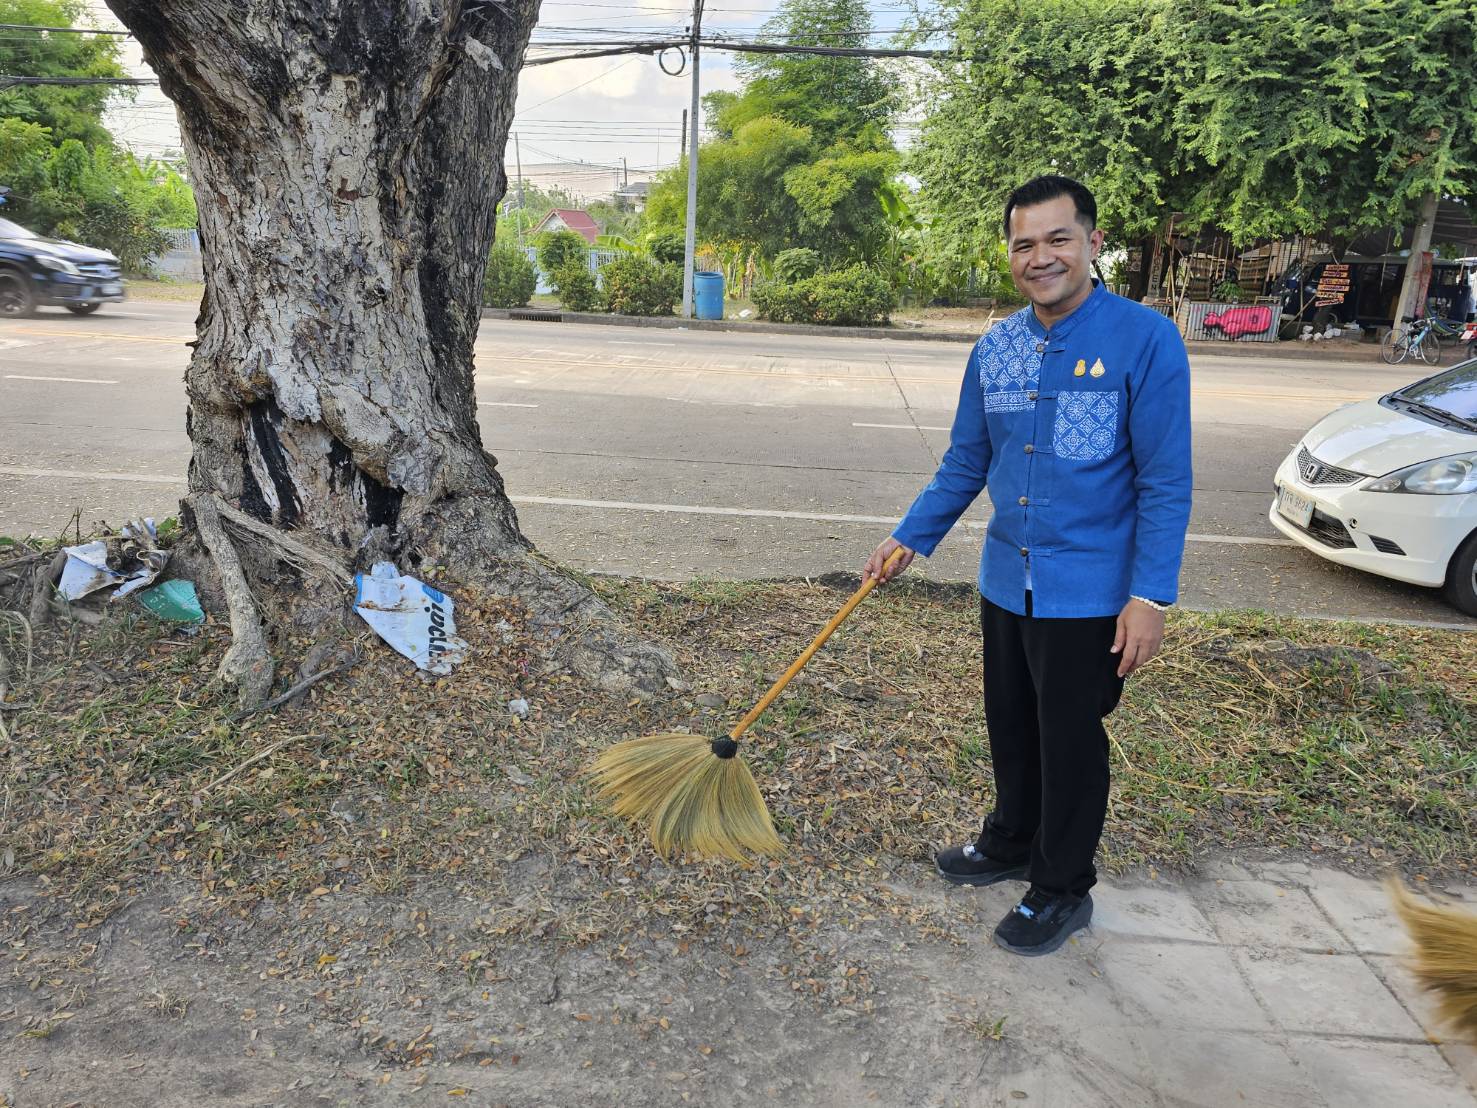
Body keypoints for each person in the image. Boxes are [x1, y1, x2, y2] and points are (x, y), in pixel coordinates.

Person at [864, 175, 1192, 956]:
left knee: (1068, 742)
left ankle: (1060, 888)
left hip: (1090, 594)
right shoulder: (996, 347)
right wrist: (911, 535)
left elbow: (1164, 481)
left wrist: (1149, 597)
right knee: (1010, 724)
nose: (1039, 257)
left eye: (1056, 239)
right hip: (1005, 581)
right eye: (1023, 244)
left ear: (1092, 243)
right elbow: (966, 459)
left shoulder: (1145, 340)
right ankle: (1010, 840)